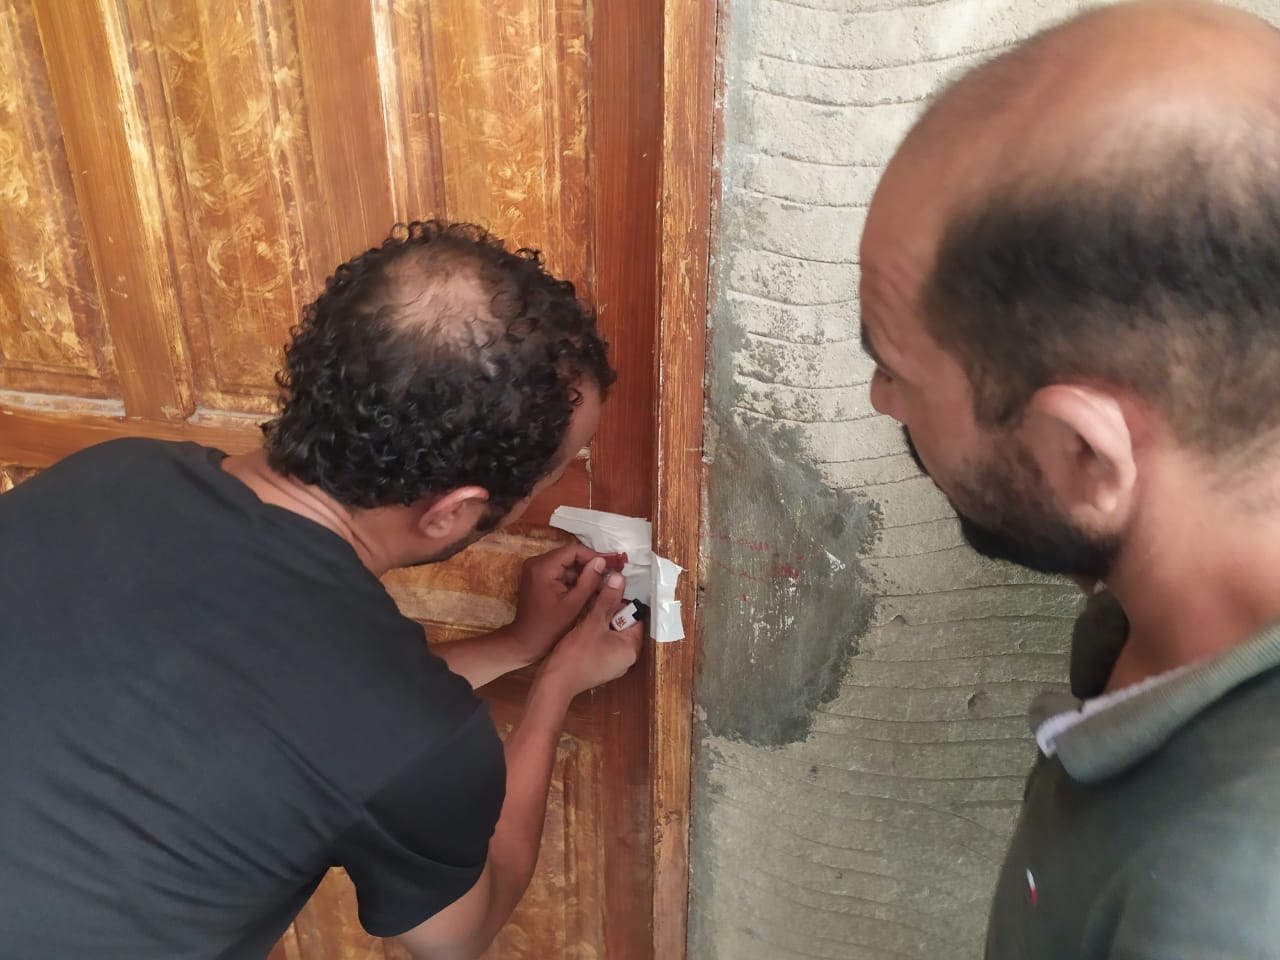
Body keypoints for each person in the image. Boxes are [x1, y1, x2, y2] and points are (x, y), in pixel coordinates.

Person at [0, 220, 645, 959]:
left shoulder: (111, 474)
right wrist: (557, 685)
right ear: (453, 513)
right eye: (549, 475)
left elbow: (301, 718)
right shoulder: (409, 735)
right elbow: (460, 932)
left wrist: (517, 646)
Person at [859, 2, 1280, 956]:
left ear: (1084, 455)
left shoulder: (1224, 911)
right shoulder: (1160, 597)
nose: (883, 400)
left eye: (896, 367)